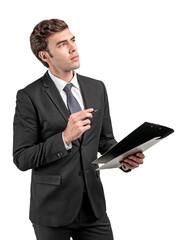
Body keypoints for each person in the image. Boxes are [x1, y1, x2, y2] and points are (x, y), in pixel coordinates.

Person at [13, 19, 145, 240]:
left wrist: (123, 156)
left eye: (72, 40)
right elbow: (22, 157)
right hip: (52, 211)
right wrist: (64, 138)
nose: (73, 48)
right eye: (62, 44)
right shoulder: (29, 96)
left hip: (93, 208)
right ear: (44, 56)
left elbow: (105, 139)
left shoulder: (96, 87)